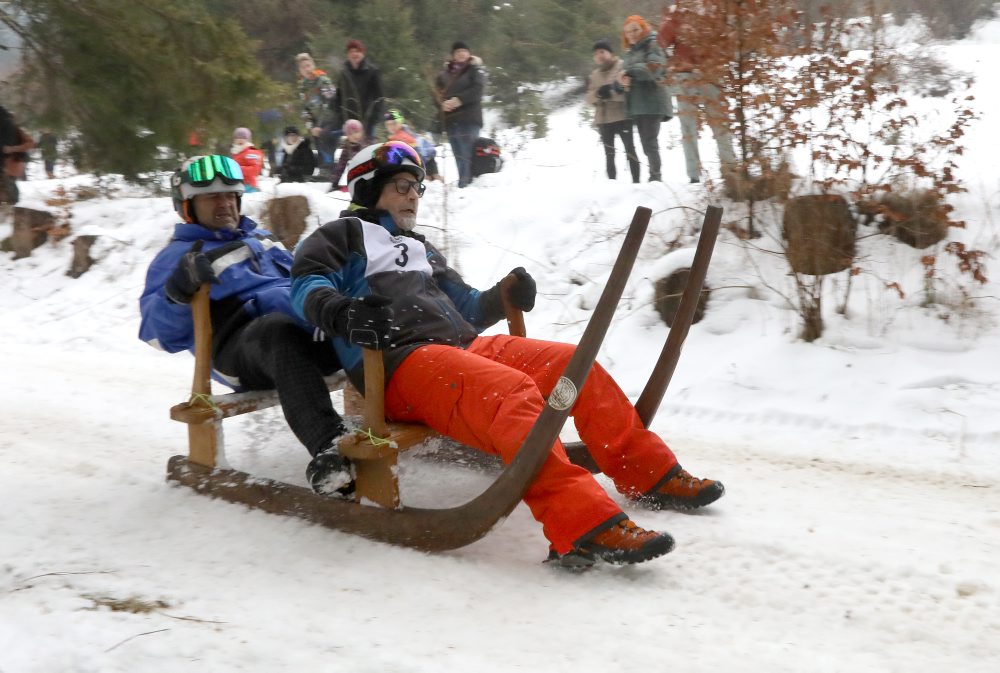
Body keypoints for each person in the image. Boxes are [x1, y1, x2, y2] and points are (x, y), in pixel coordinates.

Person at [289, 141, 725, 568]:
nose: (412, 196)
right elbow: (306, 284)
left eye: (417, 188)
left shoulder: (421, 248)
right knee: (511, 392)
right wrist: (343, 312)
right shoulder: (340, 236)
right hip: (400, 364)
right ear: (367, 187)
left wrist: (502, 297)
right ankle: (581, 526)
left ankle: (650, 473)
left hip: (461, 348)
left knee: (574, 366)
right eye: (402, 185)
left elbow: (468, 306)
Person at [139, 155, 347, 487]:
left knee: (363, 312)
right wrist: (177, 292)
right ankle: (332, 447)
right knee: (277, 331)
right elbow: (157, 334)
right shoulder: (179, 256)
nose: (224, 204)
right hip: (242, 348)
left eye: (229, 195)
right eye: (211, 197)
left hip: (302, 330)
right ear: (187, 207)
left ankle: (413, 411)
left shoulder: (260, 239)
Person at [658, 2, 737, 184]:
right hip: (685, 76)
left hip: (712, 74)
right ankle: (694, 175)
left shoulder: (716, 8)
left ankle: (730, 169)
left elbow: (727, 37)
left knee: (720, 124)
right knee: (688, 128)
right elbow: (661, 42)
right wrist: (671, 65)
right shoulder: (676, 12)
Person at [616, 16, 671, 182]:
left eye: (635, 30)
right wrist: (622, 83)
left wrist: (629, 72)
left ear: (643, 28)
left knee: (649, 142)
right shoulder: (631, 52)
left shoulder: (653, 44)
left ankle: (656, 178)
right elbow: (626, 77)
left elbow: (654, 68)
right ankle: (654, 177)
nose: (632, 34)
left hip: (653, 101)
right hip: (639, 104)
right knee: (646, 143)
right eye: (628, 32)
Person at [586, 39, 640, 183]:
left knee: (630, 150)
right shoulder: (594, 75)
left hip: (622, 115)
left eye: (602, 52)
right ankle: (612, 186)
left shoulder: (621, 66)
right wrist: (598, 94)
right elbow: (588, 98)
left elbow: (629, 89)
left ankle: (637, 183)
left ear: (610, 53)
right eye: (596, 54)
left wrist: (611, 93)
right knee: (609, 154)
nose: (599, 56)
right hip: (603, 119)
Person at [434, 41, 485, 188]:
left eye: (464, 51)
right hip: (451, 119)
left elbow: (478, 90)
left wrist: (459, 100)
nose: (461, 53)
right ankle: (464, 183)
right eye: (458, 51)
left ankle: (467, 184)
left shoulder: (475, 70)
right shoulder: (444, 74)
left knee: (467, 153)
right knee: (458, 154)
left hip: (469, 118)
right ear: (453, 56)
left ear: (469, 54)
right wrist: (442, 104)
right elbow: (436, 93)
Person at [330, 39, 385, 142]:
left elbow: (379, 98)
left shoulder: (373, 72)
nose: (354, 54)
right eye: (351, 52)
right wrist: (341, 116)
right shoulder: (344, 73)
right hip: (348, 122)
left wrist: (372, 120)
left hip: (367, 121)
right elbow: (338, 97)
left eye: (357, 51)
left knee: (366, 150)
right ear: (348, 55)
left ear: (362, 53)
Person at [296, 52, 339, 167]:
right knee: (319, 149)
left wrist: (320, 126)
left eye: (308, 65)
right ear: (300, 70)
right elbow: (305, 109)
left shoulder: (323, 80)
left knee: (328, 148)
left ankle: (328, 170)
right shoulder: (303, 87)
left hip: (329, 121)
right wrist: (311, 126)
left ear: (313, 65)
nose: (307, 69)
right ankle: (323, 170)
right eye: (303, 67)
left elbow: (330, 101)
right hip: (315, 124)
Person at [383, 109, 441, 181]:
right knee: (434, 180)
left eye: (394, 123)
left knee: (431, 179)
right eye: (388, 124)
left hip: (421, 162)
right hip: (427, 159)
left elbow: (412, 154)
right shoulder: (404, 132)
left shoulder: (401, 136)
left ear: (400, 122)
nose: (391, 127)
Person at [1, 114, 34, 204]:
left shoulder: (18, 130)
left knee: (10, 188)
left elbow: (31, 143)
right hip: (5, 165)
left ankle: (12, 207)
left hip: (12, 164)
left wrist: (13, 149)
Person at [328, 119, 366, 192]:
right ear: (347, 136)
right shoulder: (347, 147)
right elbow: (341, 166)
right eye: (350, 134)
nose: (354, 135)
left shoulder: (366, 144)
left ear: (362, 132)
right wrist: (335, 183)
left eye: (356, 132)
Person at [230, 127, 264, 193]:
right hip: (238, 184)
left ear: (248, 140)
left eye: (243, 138)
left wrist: (237, 168)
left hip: (248, 185)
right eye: (237, 138)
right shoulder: (236, 151)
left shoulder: (251, 152)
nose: (240, 140)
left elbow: (255, 170)